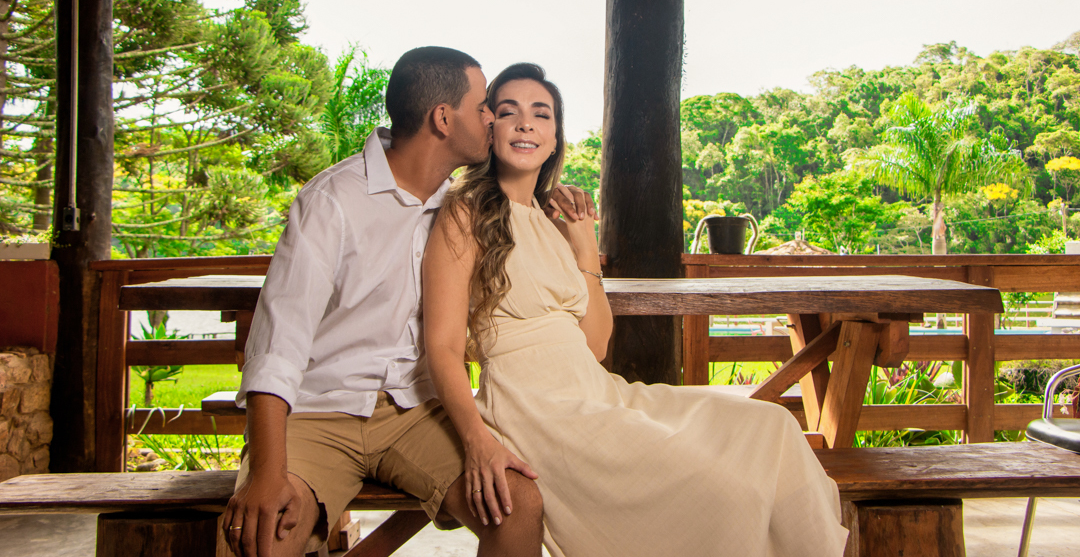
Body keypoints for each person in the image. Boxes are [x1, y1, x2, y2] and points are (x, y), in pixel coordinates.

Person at [423, 63, 849, 557]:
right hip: (533, 406)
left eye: (541, 114)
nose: (525, 124)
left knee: (770, 429)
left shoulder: (551, 221)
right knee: (720, 488)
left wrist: (584, 245)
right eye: (508, 111)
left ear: (556, 136)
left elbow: (596, 344)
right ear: (489, 126)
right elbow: (445, 345)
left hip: (594, 390)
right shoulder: (465, 211)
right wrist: (477, 440)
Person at [223, 47, 592, 557]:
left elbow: (523, 220)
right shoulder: (332, 201)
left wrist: (568, 212)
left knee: (517, 504)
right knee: (262, 535)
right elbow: (276, 346)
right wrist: (266, 473)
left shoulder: (463, 208)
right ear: (443, 119)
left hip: (417, 412)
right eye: (485, 106)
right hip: (319, 412)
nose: (493, 118)